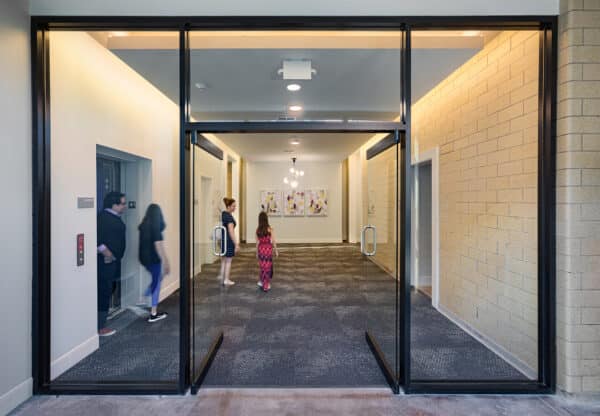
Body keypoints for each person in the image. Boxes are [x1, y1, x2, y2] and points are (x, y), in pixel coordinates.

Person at [97, 191, 127, 337]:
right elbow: (96, 238)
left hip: (113, 262)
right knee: (104, 291)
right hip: (105, 263)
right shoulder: (103, 218)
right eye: (122, 203)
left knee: (110, 288)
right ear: (113, 205)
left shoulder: (113, 217)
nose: (125, 206)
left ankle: (102, 318)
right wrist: (106, 252)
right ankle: (100, 327)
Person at [139, 204, 170, 322]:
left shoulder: (144, 225)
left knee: (157, 278)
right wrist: (166, 261)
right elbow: (158, 246)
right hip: (153, 259)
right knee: (157, 283)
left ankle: (143, 297)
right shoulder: (155, 227)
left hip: (144, 258)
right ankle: (153, 313)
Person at [218, 197, 240, 286]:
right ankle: (226, 279)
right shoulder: (229, 217)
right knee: (228, 261)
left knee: (224, 260)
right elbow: (231, 231)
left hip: (224, 240)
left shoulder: (224, 214)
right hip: (228, 241)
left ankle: (222, 277)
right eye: (233, 206)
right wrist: (236, 244)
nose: (235, 208)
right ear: (228, 206)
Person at [256, 211, 278, 292]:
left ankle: (262, 281)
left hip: (261, 249)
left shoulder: (258, 230)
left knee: (262, 267)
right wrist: (276, 250)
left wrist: (256, 252)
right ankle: (266, 284)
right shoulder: (269, 229)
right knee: (267, 267)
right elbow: (274, 241)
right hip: (268, 250)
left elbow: (257, 242)